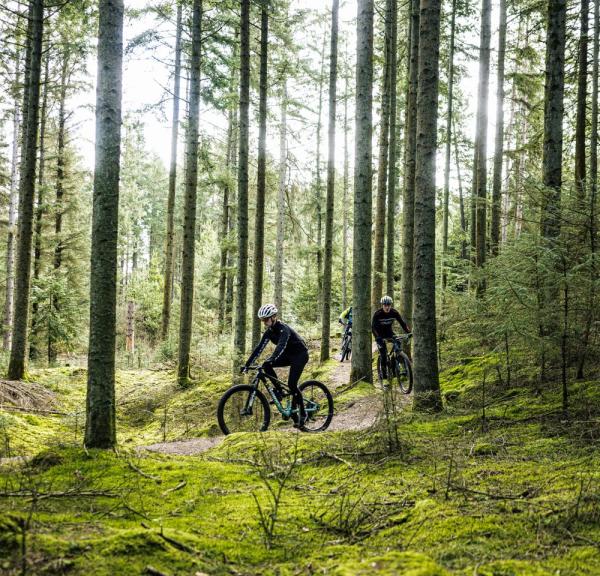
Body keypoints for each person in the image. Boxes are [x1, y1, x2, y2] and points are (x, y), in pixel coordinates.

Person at [242, 304, 309, 427]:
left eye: (266, 319)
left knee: (292, 384)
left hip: (300, 355)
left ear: (273, 317)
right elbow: (259, 348)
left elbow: (281, 346)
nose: (264, 322)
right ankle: (279, 391)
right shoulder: (269, 332)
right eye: (262, 320)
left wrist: (272, 358)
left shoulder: (284, 329)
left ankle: (303, 414)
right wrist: (247, 364)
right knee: (266, 365)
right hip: (288, 355)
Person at [371, 295, 411, 379]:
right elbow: (373, 327)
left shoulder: (394, 312)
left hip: (389, 332)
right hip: (379, 334)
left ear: (391, 305)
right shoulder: (378, 314)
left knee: (397, 344)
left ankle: (395, 367)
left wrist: (409, 332)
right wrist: (377, 338)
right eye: (385, 305)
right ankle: (384, 375)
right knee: (383, 354)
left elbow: (402, 323)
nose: (387, 307)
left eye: (388, 305)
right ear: (382, 305)